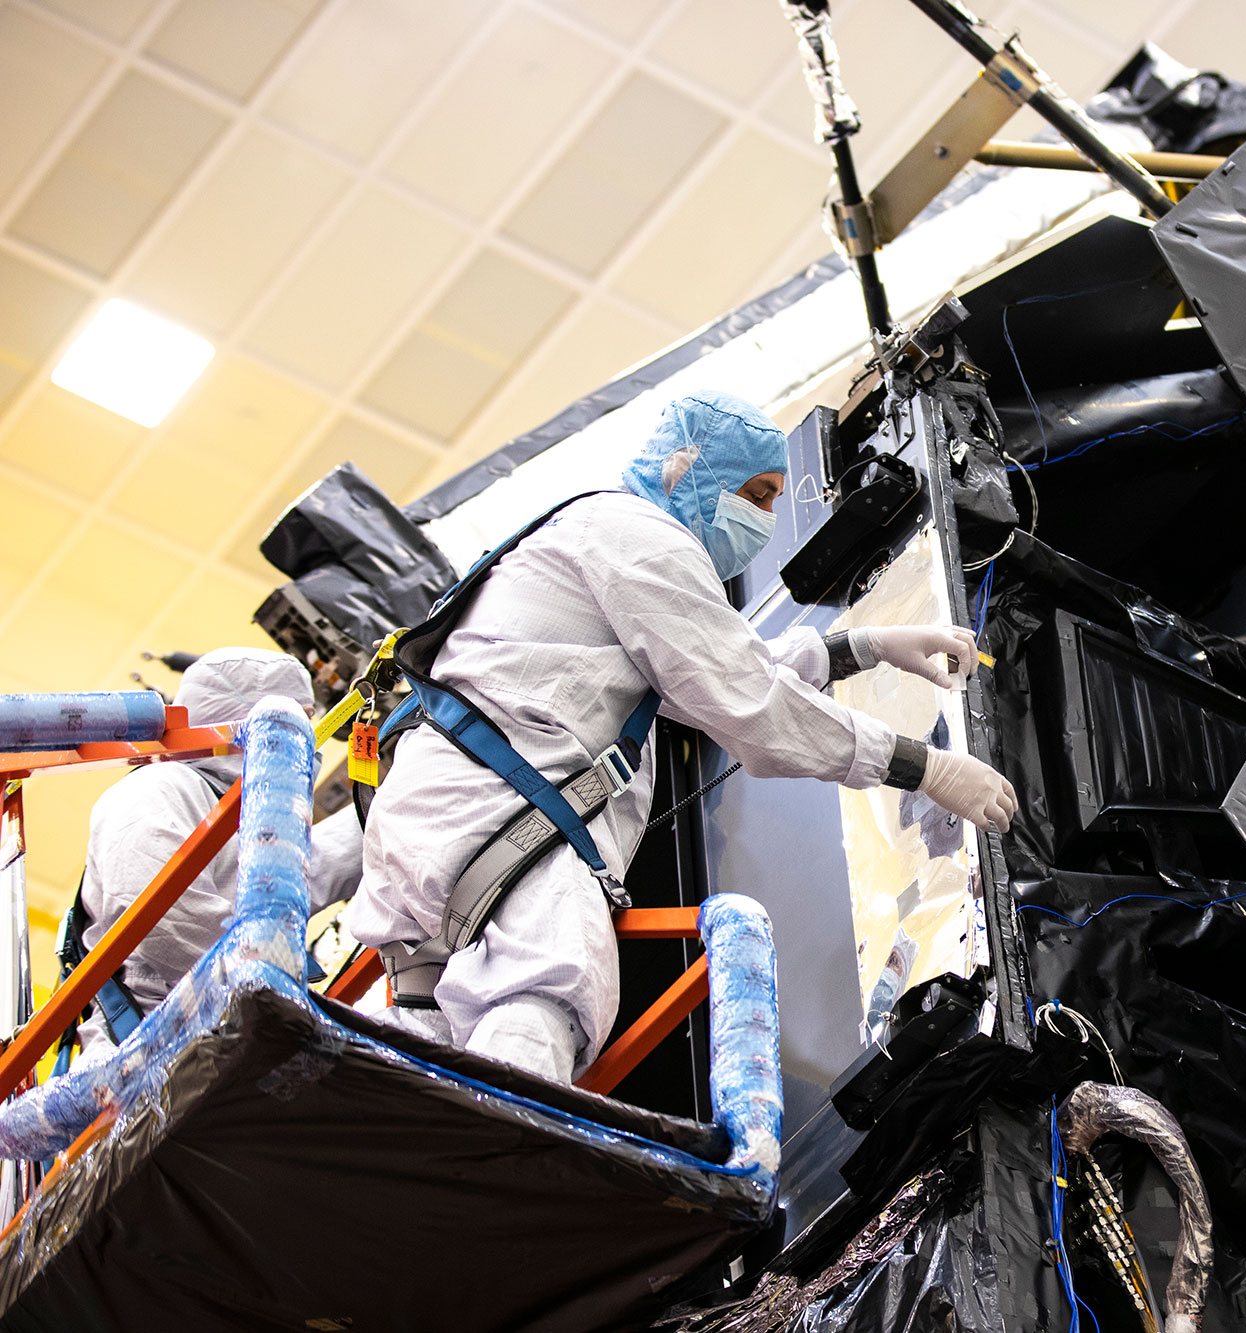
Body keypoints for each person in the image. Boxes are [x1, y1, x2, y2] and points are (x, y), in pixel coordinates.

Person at [345, 391, 1017, 1084]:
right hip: (492, 828)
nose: (762, 519)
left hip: (430, 824)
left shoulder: (598, 533)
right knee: (546, 994)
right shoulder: (641, 539)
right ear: (687, 466)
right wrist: (925, 768)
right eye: (755, 493)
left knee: (415, 1072)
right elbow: (751, 705)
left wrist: (867, 645)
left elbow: (725, 671)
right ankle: (494, 1170)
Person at [71, 647, 364, 1058]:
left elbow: (301, 878)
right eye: (301, 720)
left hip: (238, 1046)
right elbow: (163, 917)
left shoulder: (249, 820)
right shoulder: (156, 789)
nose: (308, 740)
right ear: (243, 719)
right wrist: (276, 984)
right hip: (148, 1052)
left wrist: (387, 811)